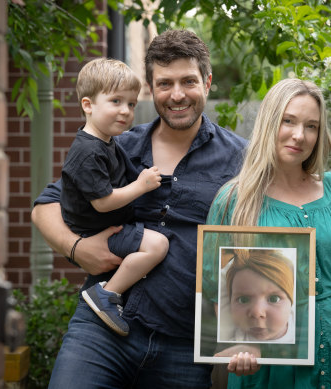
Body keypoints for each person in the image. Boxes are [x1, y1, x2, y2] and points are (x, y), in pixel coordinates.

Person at [31, 29, 247, 388]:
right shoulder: (116, 146)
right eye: (165, 83)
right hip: (101, 331)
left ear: (207, 82)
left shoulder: (241, 158)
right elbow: (45, 205)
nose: (177, 95)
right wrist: (77, 248)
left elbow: (258, 240)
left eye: (188, 81)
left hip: (184, 342)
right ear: (150, 87)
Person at [206, 78, 331, 388]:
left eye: (312, 126)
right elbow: (217, 295)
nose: (300, 135)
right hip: (272, 367)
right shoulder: (234, 201)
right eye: (289, 121)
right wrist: (237, 347)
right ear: (270, 122)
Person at [60, 58, 168, 336]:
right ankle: (107, 294)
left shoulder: (107, 142)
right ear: (88, 105)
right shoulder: (88, 152)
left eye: (131, 104)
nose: (126, 111)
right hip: (95, 231)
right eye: (116, 101)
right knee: (157, 246)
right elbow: (103, 201)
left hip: (107, 226)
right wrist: (142, 186)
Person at [221, 248, 295, 343]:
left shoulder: (303, 334)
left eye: (274, 299)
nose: (257, 312)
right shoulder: (233, 342)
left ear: (291, 302)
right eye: (243, 300)